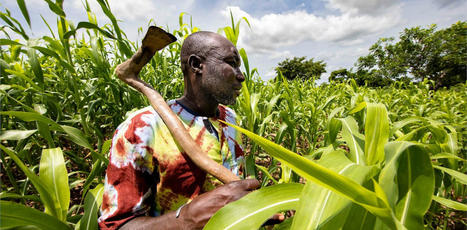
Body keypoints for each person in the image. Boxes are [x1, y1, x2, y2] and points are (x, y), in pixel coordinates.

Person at [98, 31, 260, 230]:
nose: (241, 76)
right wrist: (185, 219)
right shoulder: (142, 127)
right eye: (231, 63)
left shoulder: (230, 118)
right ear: (196, 65)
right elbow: (115, 225)